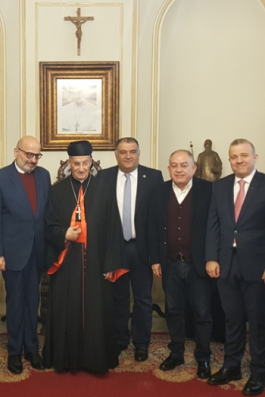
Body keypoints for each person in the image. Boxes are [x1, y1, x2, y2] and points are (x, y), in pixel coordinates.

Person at [205, 138, 265, 396]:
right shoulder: (219, 186)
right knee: (232, 320)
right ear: (229, 160)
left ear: (255, 157)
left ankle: (259, 373)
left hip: (259, 267)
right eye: (234, 156)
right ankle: (232, 367)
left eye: (244, 155)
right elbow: (213, 225)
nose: (239, 160)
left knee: (258, 322)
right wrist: (211, 257)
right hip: (226, 265)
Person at [43, 140, 125, 374]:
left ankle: (95, 360)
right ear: (69, 163)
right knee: (66, 310)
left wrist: (111, 264)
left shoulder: (104, 190)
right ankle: (66, 359)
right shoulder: (57, 191)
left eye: (85, 163)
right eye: (76, 163)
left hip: (97, 261)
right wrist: (64, 234)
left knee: (96, 311)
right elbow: (48, 226)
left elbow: (114, 229)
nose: (81, 168)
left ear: (91, 162)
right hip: (67, 261)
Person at [0, 136, 51, 374]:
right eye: (29, 154)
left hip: (37, 251)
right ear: (16, 152)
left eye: (37, 155)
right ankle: (14, 351)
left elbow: (45, 214)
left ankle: (32, 349)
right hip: (12, 252)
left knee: (32, 302)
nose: (33, 160)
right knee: (15, 303)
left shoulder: (44, 176)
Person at [99, 137, 163, 362]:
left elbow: (158, 219)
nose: (128, 156)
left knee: (143, 299)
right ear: (116, 155)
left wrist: (156, 255)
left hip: (141, 249)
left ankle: (141, 343)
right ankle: (119, 339)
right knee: (118, 298)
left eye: (132, 151)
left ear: (139, 153)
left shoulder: (153, 177)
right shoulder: (104, 177)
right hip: (115, 248)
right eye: (123, 152)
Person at [150, 150, 213, 378]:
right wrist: (155, 259)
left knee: (202, 313)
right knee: (174, 311)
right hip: (170, 264)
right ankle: (176, 353)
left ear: (193, 168)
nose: (179, 169)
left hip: (199, 264)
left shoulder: (208, 190)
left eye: (184, 165)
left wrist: (212, 258)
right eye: (174, 165)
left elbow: (215, 227)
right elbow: (152, 227)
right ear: (168, 169)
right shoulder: (159, 191)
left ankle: (203, 357)